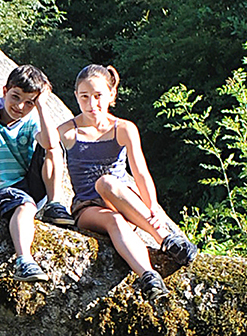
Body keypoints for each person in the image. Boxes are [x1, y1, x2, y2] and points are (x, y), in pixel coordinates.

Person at [55, 62, 198, 300]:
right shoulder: (68, 131)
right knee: (113, 218)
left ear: (111, 95)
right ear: (76, 97)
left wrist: (152, 207)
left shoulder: (123, 128)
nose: (92, 105)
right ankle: (149, 277)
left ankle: (167, 240)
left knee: (108, 184)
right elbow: (40, 144)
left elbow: (140, 171)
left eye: (98, 96)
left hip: (123, 199)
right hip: (90, 209)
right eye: (85, 97)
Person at [0, 65, 71, 283]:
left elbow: (51, 144)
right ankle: (24, 260)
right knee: (25, 206)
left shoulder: (32, 119)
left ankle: (54, 204)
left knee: (52, 144)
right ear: (4, 91)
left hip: (30, 183)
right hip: (4, 188)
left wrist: (42, 106)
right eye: (15, 97)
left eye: (29, 102)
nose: (20, 106)